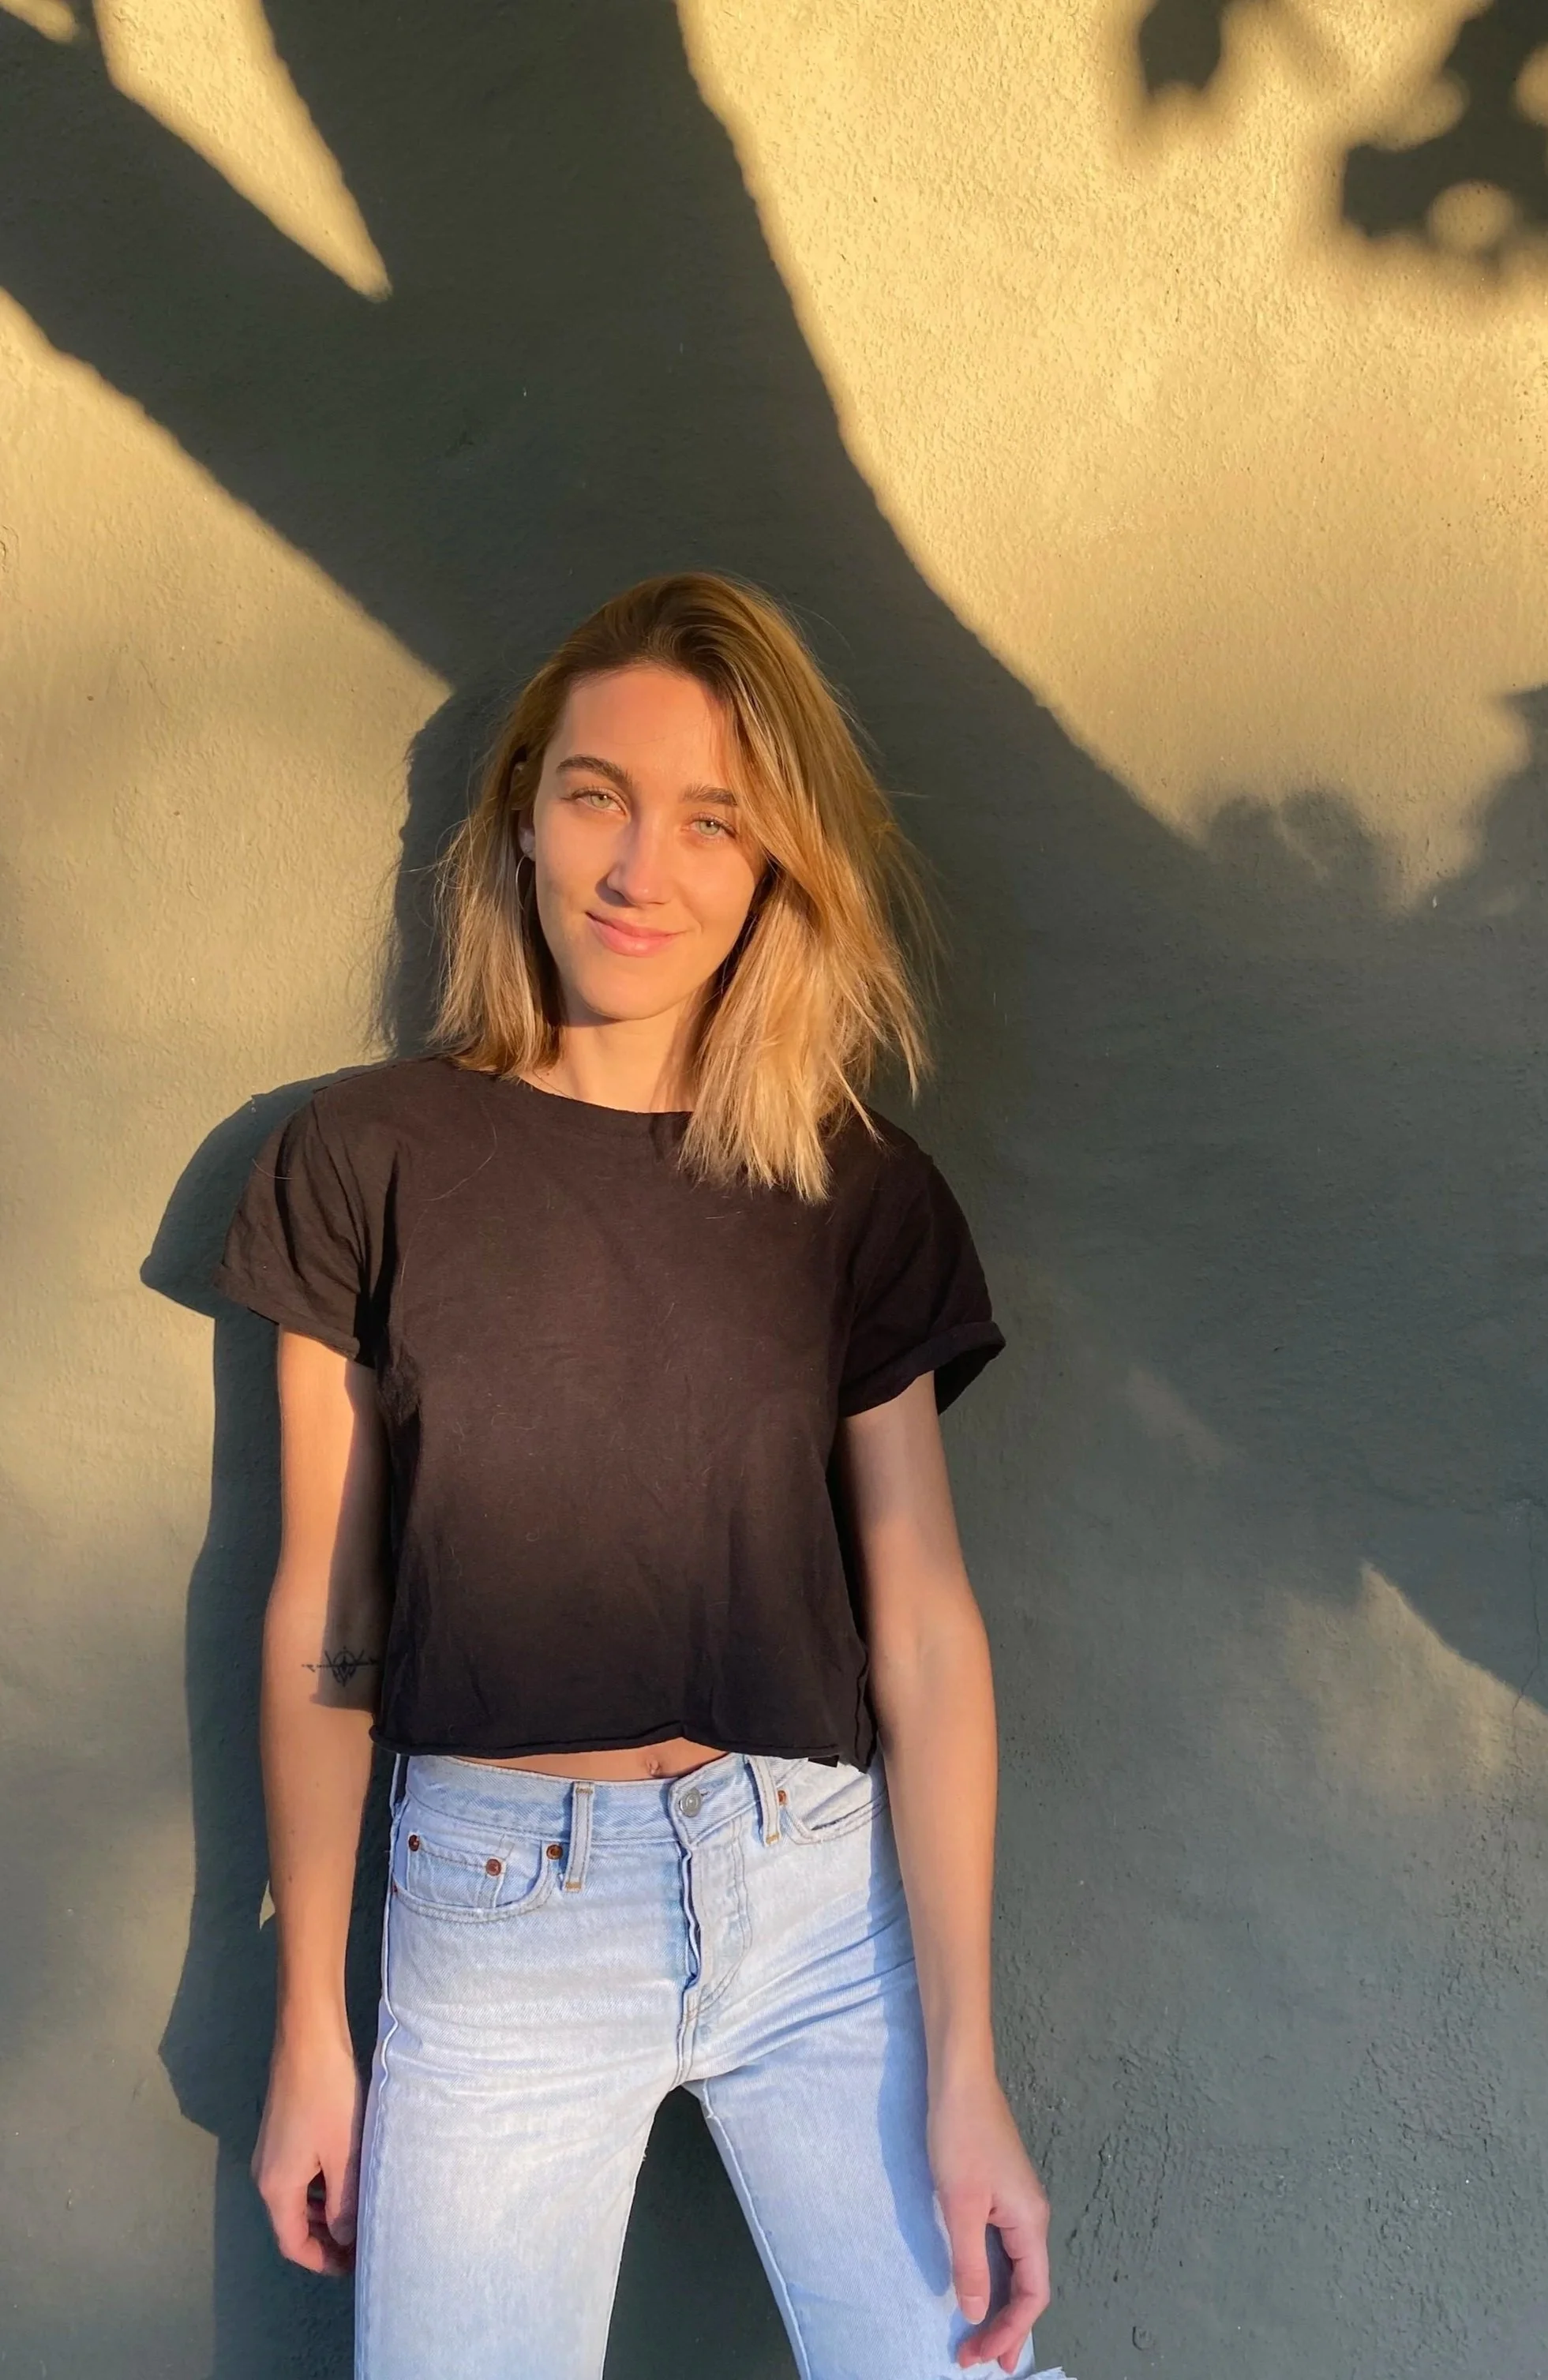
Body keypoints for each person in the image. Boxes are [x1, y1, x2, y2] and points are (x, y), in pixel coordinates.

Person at [212, 572, 1066, 2379]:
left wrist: (970, 2066)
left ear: (772, 872)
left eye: (712, 822)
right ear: (522, 812)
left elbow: (921, 1626)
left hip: (818, 1904)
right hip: (497, 1917)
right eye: (598, 793)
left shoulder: (855, 1188)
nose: (638, 867)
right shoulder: (364, 1157)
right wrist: (310, 2022)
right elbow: (325, 1611)